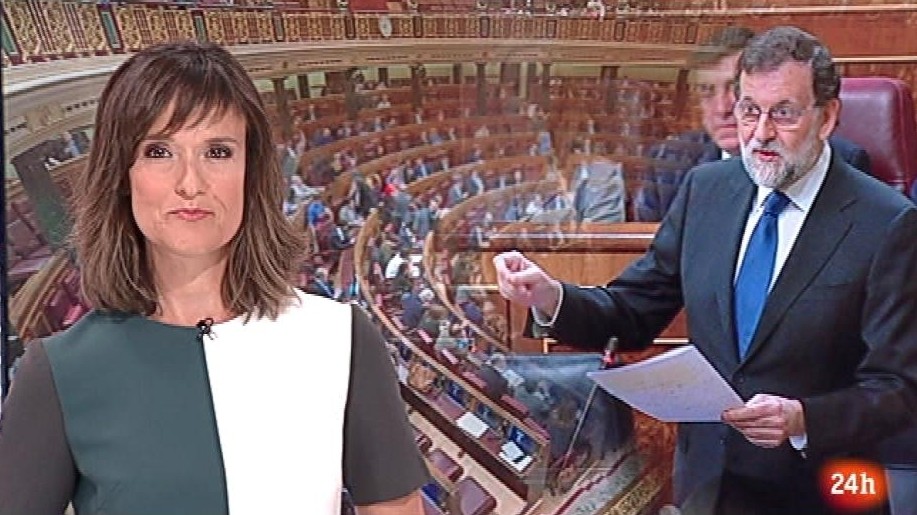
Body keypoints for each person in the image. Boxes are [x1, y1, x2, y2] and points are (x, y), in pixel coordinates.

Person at [493, 27, 917, 514]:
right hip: (706, 486)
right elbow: (633, 311)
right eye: (749, 110)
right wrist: (551, 297)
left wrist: (803, 419)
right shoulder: (706, 189)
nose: (760, 133)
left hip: (817, 492)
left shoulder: (887, 223)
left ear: (827, 118)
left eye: (783, 113)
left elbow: (900, 390)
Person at [0, 41, 428, 515]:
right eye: (159, 151)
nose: (190, 183)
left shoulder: (342, 337)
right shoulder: (57, 372)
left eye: (218, 151)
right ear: (123, 175)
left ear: (251, 172)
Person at [634, 26, 871, 222]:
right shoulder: (669, 162)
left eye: (733, 90)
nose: (722, 108)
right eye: (706, 91)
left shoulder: (843, 161)